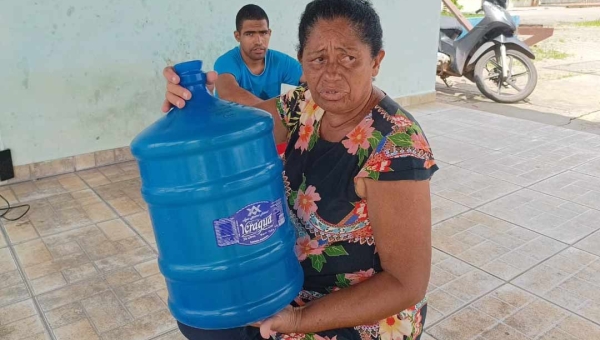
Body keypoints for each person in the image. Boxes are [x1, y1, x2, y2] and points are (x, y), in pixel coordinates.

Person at [161, 0, 438, 339]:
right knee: (200, 320)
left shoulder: (395, 147)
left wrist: (298, 320)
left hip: (357, 315)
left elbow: (405, 284)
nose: (332, 73)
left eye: (349, 57)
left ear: (376, 61)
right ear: (302, 64)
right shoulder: (305, 104)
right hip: (288, 280)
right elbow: (240, 133)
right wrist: (194, 105)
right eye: (318, 59)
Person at [214, 4, 303, 106]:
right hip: (232, 121)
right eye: (250, 34)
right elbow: (228, 93)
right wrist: (273, 112)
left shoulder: (281, 62)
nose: (259, 41)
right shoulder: (226, 62)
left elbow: (312, 78)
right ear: (237, 36)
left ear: (269, 33)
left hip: (271, 120)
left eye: (263, 33)